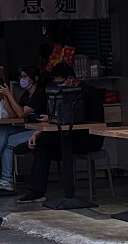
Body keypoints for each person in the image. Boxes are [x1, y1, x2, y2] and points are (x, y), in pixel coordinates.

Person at [18, 62, 105, 203]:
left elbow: (79, 119)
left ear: (70, 79)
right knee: (43, 144)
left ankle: (43, 191)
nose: (59, 87)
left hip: (88, 137)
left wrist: (52, 119)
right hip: (68, 135)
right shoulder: (64, 94)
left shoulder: (87, 94)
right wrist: (37, 132)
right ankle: (36, 191)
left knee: (45, 143)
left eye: (61, 82)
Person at [0, 66, 48, 192]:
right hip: (28, 128)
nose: (22, 79)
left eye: (25, 77)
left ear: (35, 78)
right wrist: (5, 97)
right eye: (21, 77)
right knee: (3, 129)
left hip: (40, 131)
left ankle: (6, 179)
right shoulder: (26, 95)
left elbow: (22, 113)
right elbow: (13, 114)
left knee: (6, 143)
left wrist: (9, 94)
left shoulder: (40, 94)